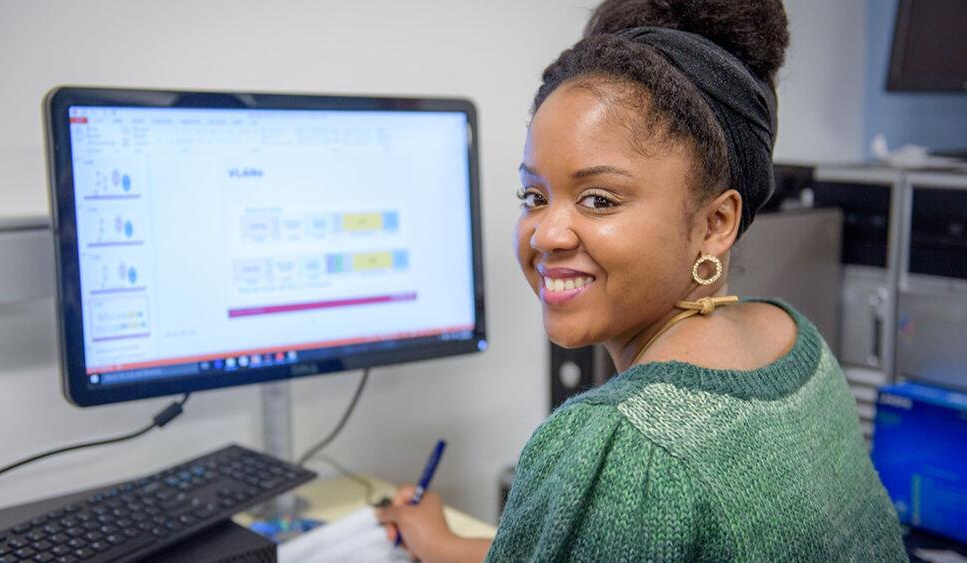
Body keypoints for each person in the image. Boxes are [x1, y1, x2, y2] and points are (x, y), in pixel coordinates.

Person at [376, 0, 908, 560]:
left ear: (715, 223)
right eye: (534, 196)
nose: (547, 234)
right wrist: (441, 543)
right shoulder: (793, 343)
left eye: (599, 199)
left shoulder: (628, 445)